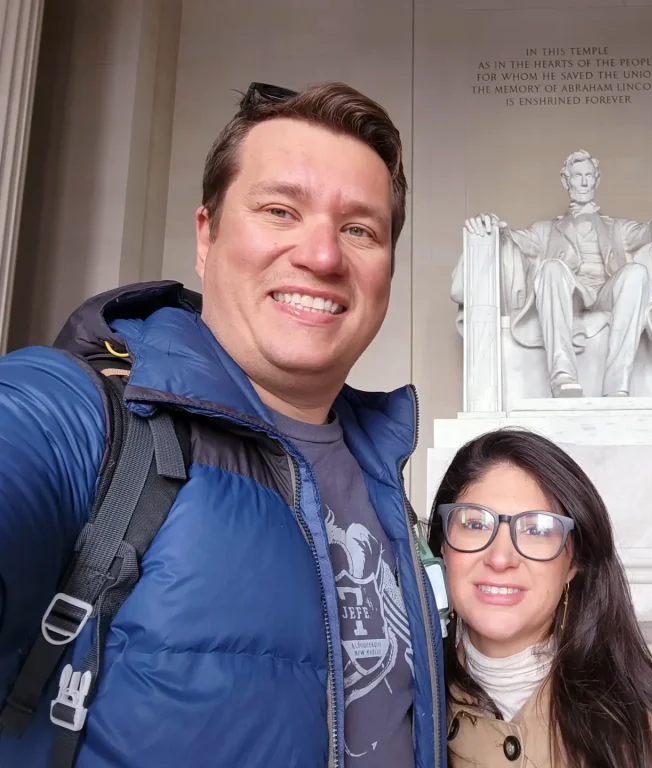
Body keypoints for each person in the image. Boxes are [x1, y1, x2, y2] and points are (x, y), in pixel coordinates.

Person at [0, 82, 444, 768]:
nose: (322, 257)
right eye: (279, 210)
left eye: (359, 229)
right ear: (206, 237)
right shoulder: (84, 414)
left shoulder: (384, 475)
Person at [427, 429, 652, 768]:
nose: (500, 558)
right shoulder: (397, 714)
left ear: (574, 562)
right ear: (442, 547)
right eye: (475, 524)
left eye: (536, 530)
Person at [461, 150, 652, 398]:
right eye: (578, 176)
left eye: (589, 175)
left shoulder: (618, 227)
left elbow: (649, 231)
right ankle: (563, 377)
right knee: (551, 268)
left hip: (607, 292)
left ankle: (617, 385)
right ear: (566, 182)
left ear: (597, 180)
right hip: (572, 292)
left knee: (636, 273)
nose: (585, 182)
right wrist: (489, 224)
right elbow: (509, 238)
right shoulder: (545, 230)